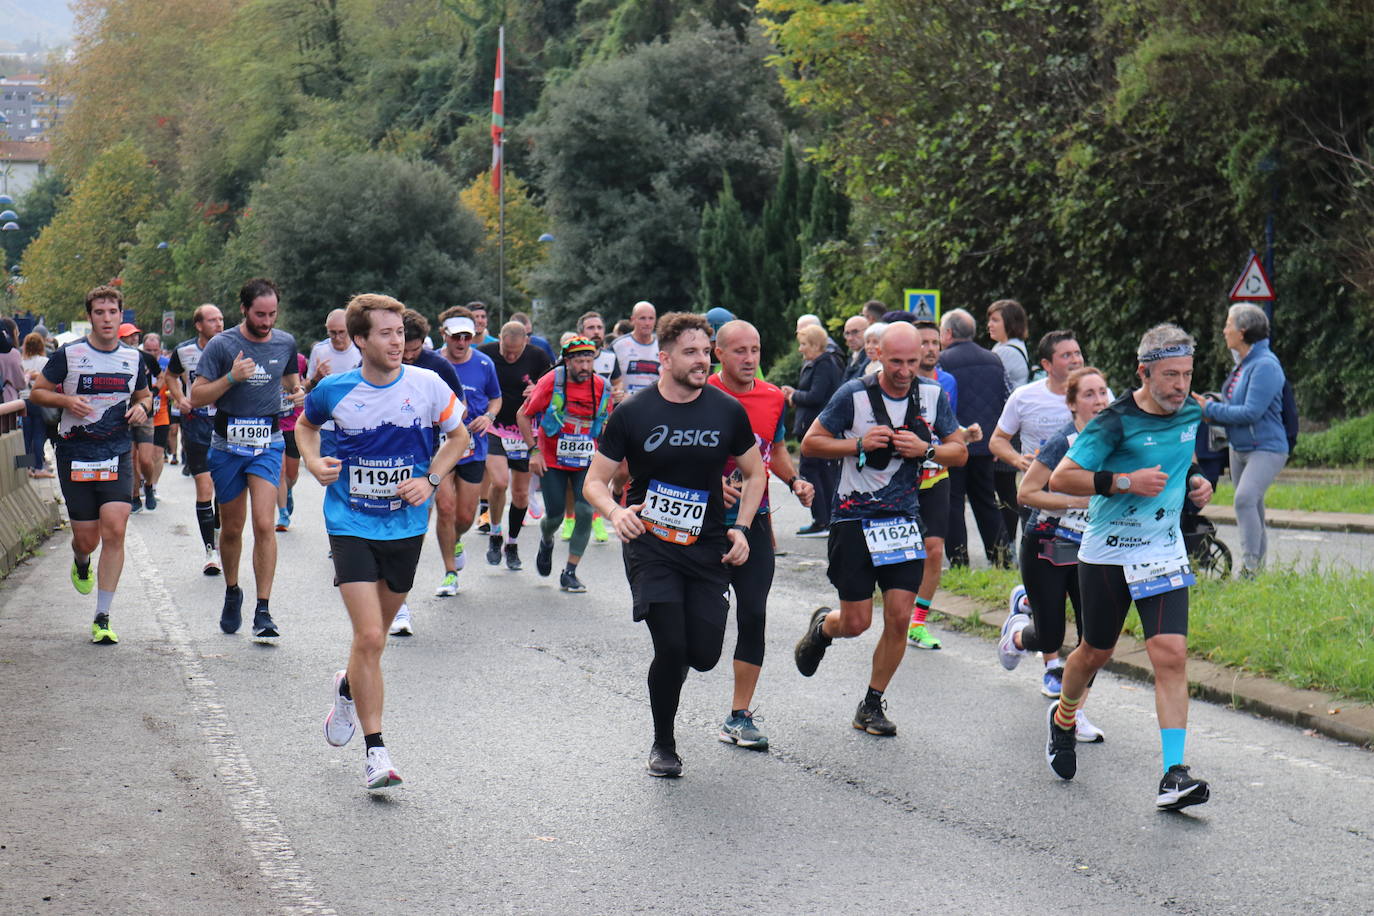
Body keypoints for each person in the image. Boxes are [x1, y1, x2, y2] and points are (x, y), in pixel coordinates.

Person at [584, 312, 765, 778]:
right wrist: (617, 512)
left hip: (706, 546)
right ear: (664, 359)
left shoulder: (726, 410)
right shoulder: (634, 413)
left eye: (706, 351)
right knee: (670, 644)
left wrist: (742, 528)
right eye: (691, 352)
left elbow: (755, 470)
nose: (702, 360)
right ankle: (664, 743)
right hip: (651, 543)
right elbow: (595, 482)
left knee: (702, 655)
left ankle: (674, 675)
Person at [299, 293, 468, 790]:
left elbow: (460, 439)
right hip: (349, 522)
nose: (398, 342)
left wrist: (432, 480)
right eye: (386, 334)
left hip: (406, 526)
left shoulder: (429, 385)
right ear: (360, 340)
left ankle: (348, 687)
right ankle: (377, 753)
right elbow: (305, 428)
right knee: (371, 636)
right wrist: (312, 462)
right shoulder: (334, 390)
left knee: (371, 641)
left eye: (401, 333)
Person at [1044, 323, 1214, 810]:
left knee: (1171, 654)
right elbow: (1063, 476)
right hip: (1108, 552)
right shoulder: (1113, 422)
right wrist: (1123, 481)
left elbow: (1185, 460)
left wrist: (1200, 483)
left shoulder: (1191, 411)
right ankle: (1064, 718)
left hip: (1161, 550)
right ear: (1143, 372)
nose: (1180, 386)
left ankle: (1174, 773)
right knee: (1095, 652)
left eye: (1186, 373)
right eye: (1170, 376)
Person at [794, 322, 964, 735]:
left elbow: (959, 451)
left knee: (900, 616)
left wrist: (927, 450)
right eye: (896, 362)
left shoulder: (932, 395)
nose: (905, 370)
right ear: (879, 357)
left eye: (913, 361)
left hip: (903, 521)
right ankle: (824, 627)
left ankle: (871, 704)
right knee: (856, 623)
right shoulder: (853, 395)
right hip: (854, 519)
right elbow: (810, 443)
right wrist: (858, 445)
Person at [709, 320, 814, 749]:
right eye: (740, 351)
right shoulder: (701, 395)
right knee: (698, 625)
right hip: (702, 525)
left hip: (753, 522)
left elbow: (776, 448)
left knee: (753, 614)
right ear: (719, 354)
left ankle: (740, 714)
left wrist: (794, 481)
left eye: (755, 349)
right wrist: (709, 481)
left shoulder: (772, 397)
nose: (750, 359)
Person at [31, 285, 152, 644]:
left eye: (112, 312)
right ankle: (81, 561)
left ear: (121, 316)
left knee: (115, 528)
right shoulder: (70, 355)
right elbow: (37, 392)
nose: (106, 319)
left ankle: (103, 616)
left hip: (116, 451)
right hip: (75, 453)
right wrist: (67, 400)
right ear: (90, 317)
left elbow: (145, 395)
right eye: (99, 313)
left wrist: (143, 407)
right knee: (87, 539)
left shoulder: (133, 359)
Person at [999, 366, 1111, 743]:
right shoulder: (1063, 443)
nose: (1099, 401)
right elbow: (1026, 494)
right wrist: (1073, 500)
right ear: (1073, 403)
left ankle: (1074, 715)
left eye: (1103, 393)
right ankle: (1017, 635)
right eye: (1090, 395)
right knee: (1051, 634)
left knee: (1093, 637)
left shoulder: (1114, 441)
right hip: (1047, 545)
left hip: (1092, 550)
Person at [191, 278, 303, 641]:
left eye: (272, 314)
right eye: (260, 314)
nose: (267, 321)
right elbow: (196, 396)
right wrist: (230, 377)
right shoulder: (223, 344)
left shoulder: (285, 341)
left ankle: (264, 609)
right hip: (226, 446)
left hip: (267, 443)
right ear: (244, 310)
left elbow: (290, 382)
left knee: (264, 524)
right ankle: (232, 590)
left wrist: (299, 392)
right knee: (234, 528)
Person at [1195, 304, 1288, 577]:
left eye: (1228, 325)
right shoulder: (1244, 365)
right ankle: (1257, 572)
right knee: (1253, 507)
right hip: (1240, 448)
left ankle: (1249, 568)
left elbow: (1251, 412)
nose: (1224, 330)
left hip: (1266, 448)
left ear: (1243, 331)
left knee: (1244, 500)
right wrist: (1211, 404)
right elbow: (1235, 403)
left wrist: (1208, 410)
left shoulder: (1265, 365)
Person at [519, 335, 611, 593]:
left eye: (589, 360)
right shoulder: (552, 381)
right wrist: (533, 451)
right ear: (567, 361)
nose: (584, 366)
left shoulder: (602, 387)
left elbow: (606, 424)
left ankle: (569, 571)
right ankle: (546, 539)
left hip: (585, 459)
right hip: (552, 460)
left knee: (584, 511)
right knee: (556, 515)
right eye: (579, 361)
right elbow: (523, 415)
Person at [906, 321, 970, 650]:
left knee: (933, 550)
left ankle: (917, 623)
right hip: (901, 482)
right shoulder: (894, 382)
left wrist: (963, 435)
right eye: (923, 342)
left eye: (935, 342)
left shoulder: (947, 382)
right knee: (901, 555)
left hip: (937, 475)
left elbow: (947, 427)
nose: (931, 348)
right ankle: (895, 610)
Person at [432, 306, 501, 595]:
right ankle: (450, 573)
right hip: (442, 446)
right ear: (444, 335)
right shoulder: (431, 361)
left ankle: (456, 538)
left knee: (465, 516)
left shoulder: (484, 364)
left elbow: (495, 399)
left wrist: (489, 416)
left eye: (467, 337)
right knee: (445, 509)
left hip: (474, 447)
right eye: (456, 337)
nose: (461, 343)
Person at [938, 308, 1012, 567]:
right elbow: (1005, 399)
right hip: (985, 443)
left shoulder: (942, 361)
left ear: (947, 333)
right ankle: (1002, 558)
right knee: (986, 502)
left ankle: (959, 560)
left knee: (953, 502)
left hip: (955, 443)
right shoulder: (993, 359)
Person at [480, 320, 551, 570]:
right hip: (495, 428)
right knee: (499, 482)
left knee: (521, 494)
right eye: (505, 350)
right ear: (498, 339)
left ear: (526, 343)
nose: (510, 356)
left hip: (523, 430)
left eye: (516, 352)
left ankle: (511, 543)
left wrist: (537, 389)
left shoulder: (538, 357)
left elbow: (552, 388)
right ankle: (495, 533)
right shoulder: (485, 355)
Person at [167, 304, 227, 575]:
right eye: (212, 320)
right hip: (197, 424)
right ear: (199, 325)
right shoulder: (184, 351)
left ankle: (217, 533)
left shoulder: (231, 347)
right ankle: (210, 552)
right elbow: (170, 376)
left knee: (224, 491)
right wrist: (181, 399)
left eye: (221, 319)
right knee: (205, 487)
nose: (219, 324)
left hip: (226, 422)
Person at [782, 324, 844, 537]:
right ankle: (824, 519)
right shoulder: (815, 363)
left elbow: (817, 396)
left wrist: (793, 396)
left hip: (816, 427)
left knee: (812, 471)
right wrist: (796, 393)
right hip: (809, 425)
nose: (800, 349)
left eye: (804, 344)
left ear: (817, 345)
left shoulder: (824, 365)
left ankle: (822, 520)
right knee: (820, 471)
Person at [119, 323, 163, 512]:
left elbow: (162, 377)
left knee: (146, 459)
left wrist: (152, 393)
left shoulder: (145, 357)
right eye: (130, 336)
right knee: (130, 458)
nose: (134, 338)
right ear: (120, 338)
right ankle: (135, 496)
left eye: (136, 335)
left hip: (145, 413)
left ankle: (149, 486)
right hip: (123, 415)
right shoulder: (114, 359)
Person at [274, 351, 308, 531]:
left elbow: (306, 385)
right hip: (274, 423)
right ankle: (282, 514)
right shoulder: (267, 358)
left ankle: (287, 492)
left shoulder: (300, 360)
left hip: (294, 423)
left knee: (292, 474)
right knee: (280, 470)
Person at [612, 300, 660, 401]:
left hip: (654, 405)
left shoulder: (663, 346)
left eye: (651, 318)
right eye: (642, 318)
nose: (647, 323)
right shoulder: (618, 345)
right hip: (626, 406)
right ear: (633, 320)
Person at [20, 330, 52, 477]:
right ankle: (38, 468)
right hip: (38, 401)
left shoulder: (21, 362)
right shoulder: (44, 362)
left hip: (22, 403)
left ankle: (25, 468)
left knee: (25, 436)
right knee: (38, 435)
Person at [987, 299, 1032, 389]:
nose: (989, 325)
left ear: (1011, 323)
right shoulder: (1008, 345)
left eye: (995, 320)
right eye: (990, 320)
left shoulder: (1006, 351)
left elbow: (988, 381)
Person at [841, 314, 869, 382]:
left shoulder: (871, 357)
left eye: (855, 332)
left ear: (868, 331)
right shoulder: (853, 357)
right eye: (847, 333)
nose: (850, 338)